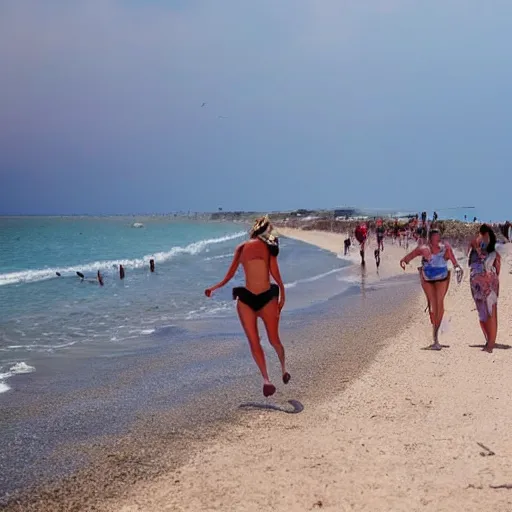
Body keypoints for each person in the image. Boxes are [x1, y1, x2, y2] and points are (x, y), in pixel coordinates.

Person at [205, 216, 288, 397]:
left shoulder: (262, 248)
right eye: (270, 231)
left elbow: (274, 274)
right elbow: (230, 275)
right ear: (265, 230)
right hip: (251, 299)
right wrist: (214, 288)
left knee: (270, 340)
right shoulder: (248, 248)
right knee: (261, 340)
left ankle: (283, 369)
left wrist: (282, 295)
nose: (271, 235)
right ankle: (267, 380)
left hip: (265, 298)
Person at [400, 229, 463, 350]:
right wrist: (404, 261)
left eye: (438, 238)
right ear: (430, 238)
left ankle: (436, 337)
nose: (437, 240)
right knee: (432, 305)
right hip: (427, 277)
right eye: (435, 238)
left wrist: (458, 269)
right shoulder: (423, 249)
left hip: (442, 278)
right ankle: (435, 336)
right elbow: (410, 256)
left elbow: (455, 262)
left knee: (439, 304)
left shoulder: (446, 248)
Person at [468, 224, 501, 353]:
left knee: (488, 311)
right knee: (485, 311)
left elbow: (495, 263)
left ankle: (490, 343)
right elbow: (497, 266)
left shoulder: (488, 247)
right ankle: (489, 341)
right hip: (479, 282)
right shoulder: (483, 245)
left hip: (485, 281)